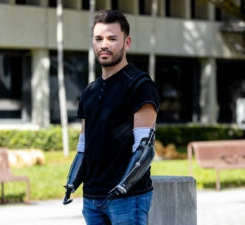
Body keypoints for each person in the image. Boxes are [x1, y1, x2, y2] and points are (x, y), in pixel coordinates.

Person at [63, 9, 160, 225]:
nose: (104, 44)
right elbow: (83, 145)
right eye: (98, 39)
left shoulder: (140, 85)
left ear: (127, 42)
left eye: (112, 38)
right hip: (92, 198)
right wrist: (72, 183)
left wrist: (123, 187)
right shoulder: (89, 91)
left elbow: (144, 149)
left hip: (128, 199)